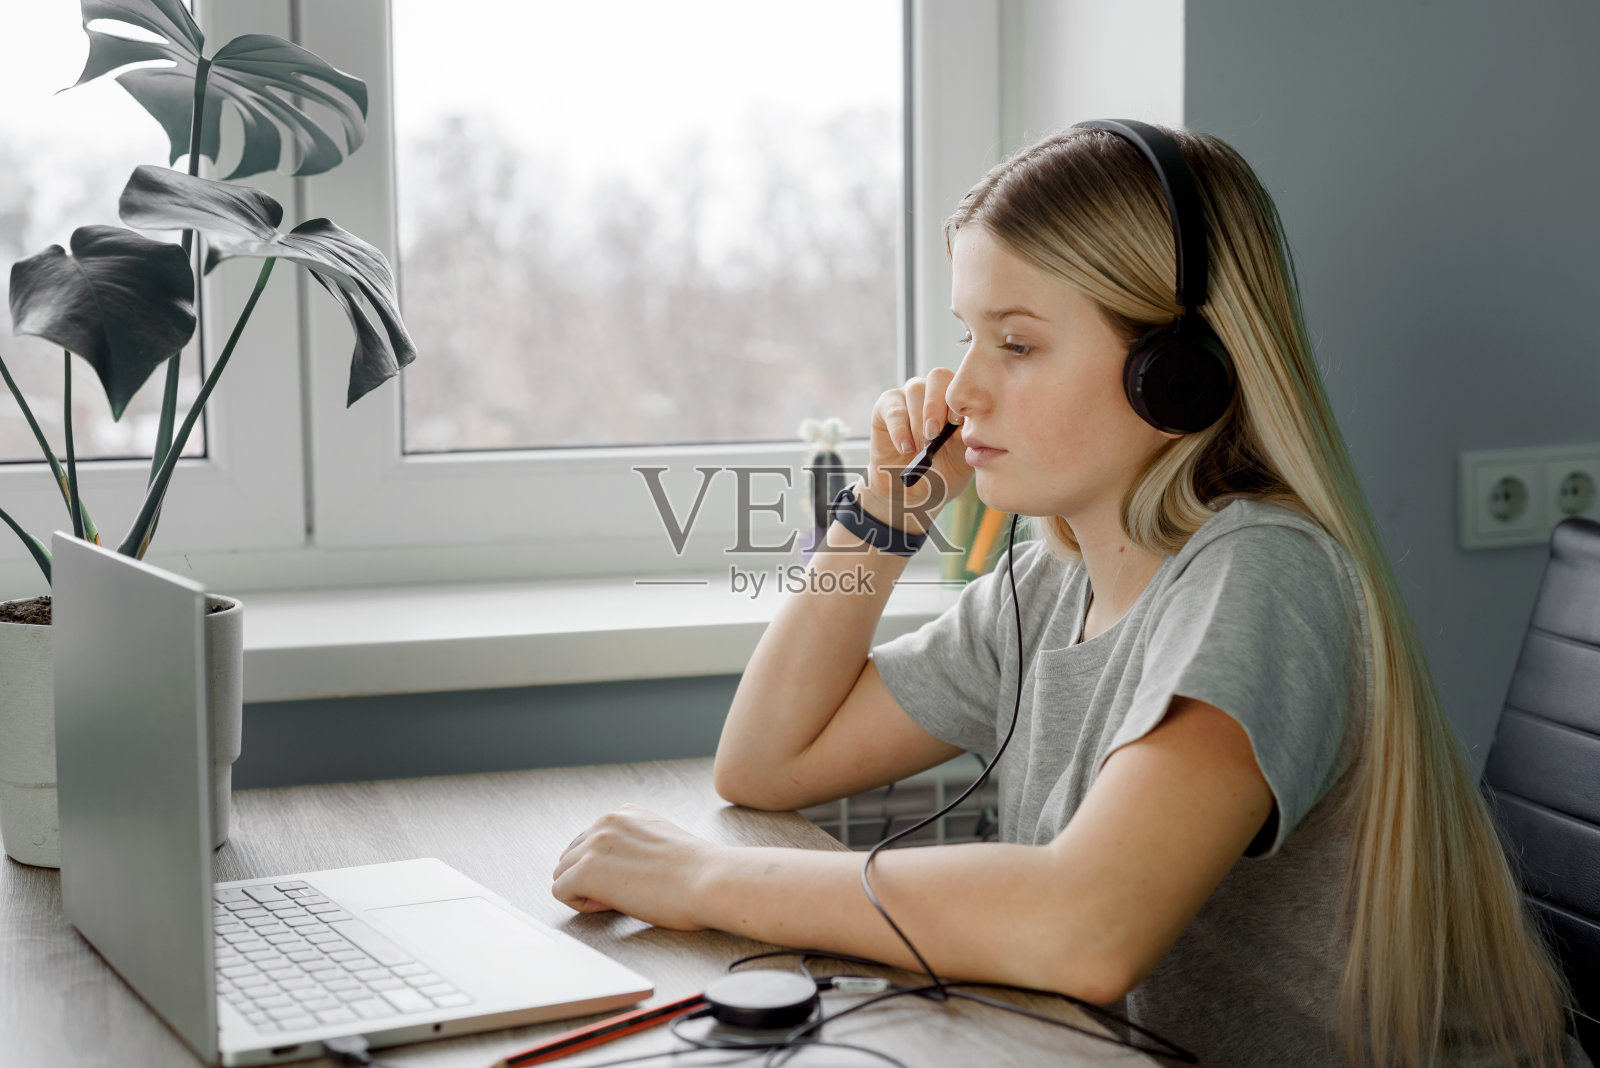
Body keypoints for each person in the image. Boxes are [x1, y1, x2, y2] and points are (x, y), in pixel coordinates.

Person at [552, 123, 1589, 1067]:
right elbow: (769, 762)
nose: (959, 391)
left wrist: (697, 880)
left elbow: (1086, 929)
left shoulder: (1264, 574)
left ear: (1177, 374)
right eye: (966, 336)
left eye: (1017, 343)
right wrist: (882, 514)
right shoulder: (1054, 579)